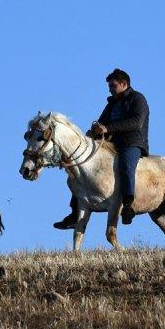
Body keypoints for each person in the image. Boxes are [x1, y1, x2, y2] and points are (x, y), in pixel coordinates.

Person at [53, 68, 149, 228]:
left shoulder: (137, 99)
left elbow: (136, 122)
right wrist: (94, 131)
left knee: (126, 165)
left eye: (113, 86)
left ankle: (127, 205)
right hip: (110, 144)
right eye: (110, 87)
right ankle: (74, 213)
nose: (110, 89)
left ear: (124, 84)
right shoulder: (112, 103)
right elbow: (102, 121)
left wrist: (108, 129)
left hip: (132, 143)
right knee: (80, 170)